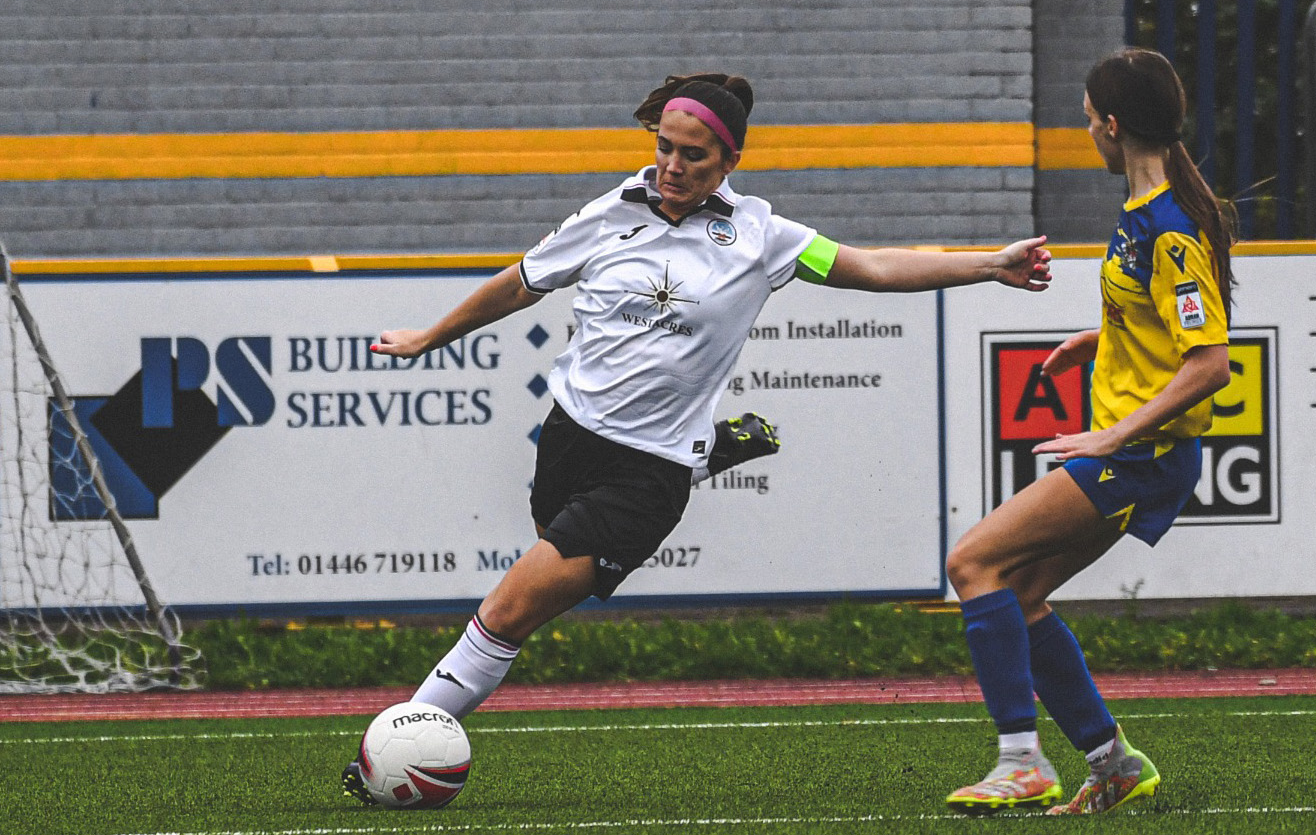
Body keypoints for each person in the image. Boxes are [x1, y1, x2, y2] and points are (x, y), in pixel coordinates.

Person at [341, 71, 1053, 803]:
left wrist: (987, 265)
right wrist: (430, 336)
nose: (672, 167)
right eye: (664, 149)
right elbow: (522, 281)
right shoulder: (611, 209)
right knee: (535, 568)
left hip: (643, 475)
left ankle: (389, 757)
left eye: (693, 156)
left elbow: (868, 267)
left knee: (509, 610)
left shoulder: (762, 237)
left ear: (730, 163)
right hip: (567, 438)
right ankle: (710, 450)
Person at [943, 48, 1235, 817]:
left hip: (1138, 456)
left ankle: (1019, 761)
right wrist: (1098, 337)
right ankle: (1111, 762)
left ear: (1112, 125)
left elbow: (1208, 365)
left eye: (1085, 120)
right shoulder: (1146, 214)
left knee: (972, 562)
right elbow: (1162, 325)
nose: (1086, 134)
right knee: (1023, 592)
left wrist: (1108, 438)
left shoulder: (1169, 226)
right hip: (1140, 454)